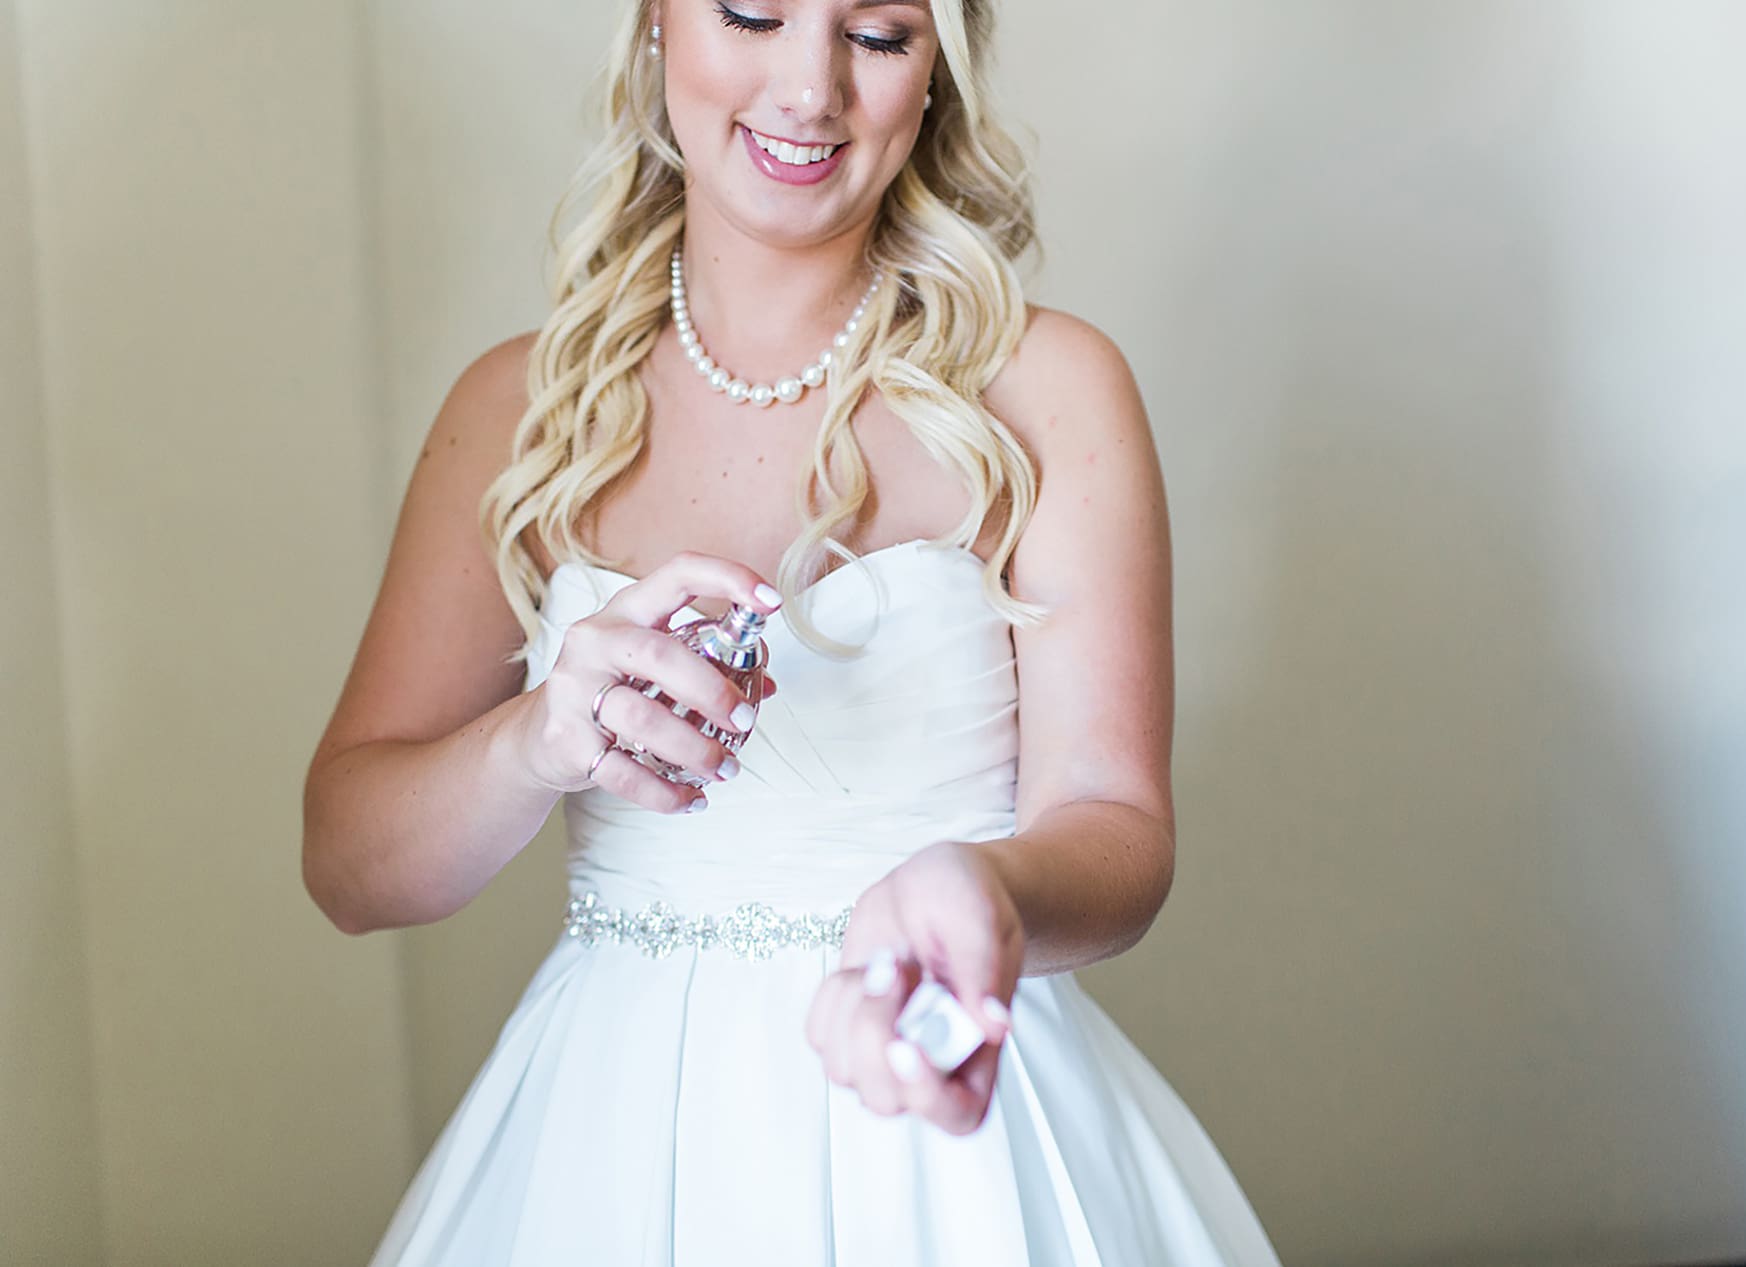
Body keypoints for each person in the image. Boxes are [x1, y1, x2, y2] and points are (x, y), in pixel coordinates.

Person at [304, 1, 1283, 1261]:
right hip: (610, 1142)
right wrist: (534, 743)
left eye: (876, 34)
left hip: (950, 1147)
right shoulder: (517, 412)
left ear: (939, 68)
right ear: (657, 23)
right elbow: (347, 866)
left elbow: (1117, 826)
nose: (808, 88)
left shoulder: (1049, 389)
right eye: (754, 12)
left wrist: (984, 887)